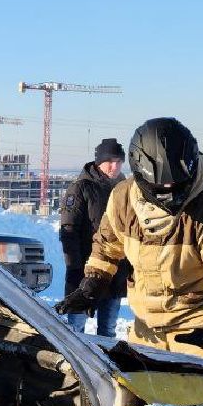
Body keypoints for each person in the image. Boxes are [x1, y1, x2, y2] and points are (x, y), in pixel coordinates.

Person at [56, 118, 203, 362]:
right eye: (162, 186)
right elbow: (107, 246)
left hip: (200, 329)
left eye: (177, 183)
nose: (170, 190)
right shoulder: (123, 199)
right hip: (146, 331)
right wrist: (93, 284)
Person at [58, 138, 129, 339]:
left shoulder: (124, 189)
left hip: (115, 274)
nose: (115, 167)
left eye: (119, 161)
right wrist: (75, 269)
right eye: (110, 161)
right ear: (99, 162)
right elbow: (68, 232)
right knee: (76, 332)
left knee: (107, 332)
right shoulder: (81, 188)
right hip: (85, 272)